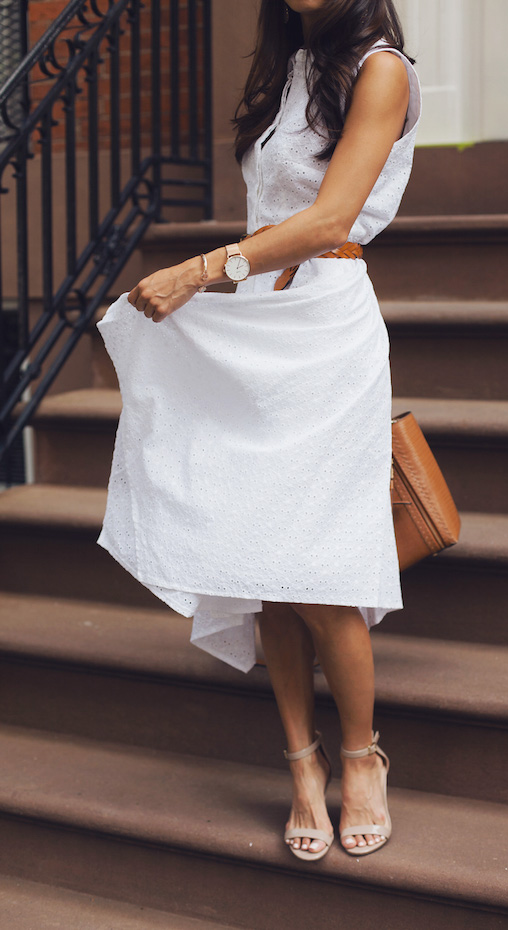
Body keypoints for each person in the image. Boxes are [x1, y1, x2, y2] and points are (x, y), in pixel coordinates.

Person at [96, 0, 421, 862]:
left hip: (325, 328)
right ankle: (302, 766)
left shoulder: (381, 68)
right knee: (263, 563)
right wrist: (222, 288)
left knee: (317, 565)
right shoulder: (290, 71)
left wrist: (200, 271)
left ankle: (362, 757)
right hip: (260, 326)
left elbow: (328, 219)